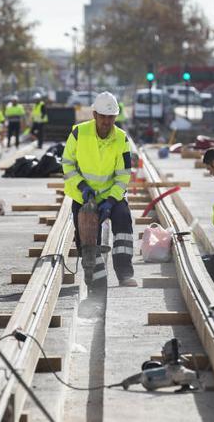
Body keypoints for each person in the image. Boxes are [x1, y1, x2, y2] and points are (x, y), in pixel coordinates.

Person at [62, 91, 136, 287]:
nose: (106, 121)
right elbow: (67, 165)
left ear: (115, 117)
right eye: (103, 116)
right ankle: (96, 278)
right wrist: (82, 186)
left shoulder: (122, 138)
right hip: (84, 195)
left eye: (111, 117)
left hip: (111, 194)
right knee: (86, 238)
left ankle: (125, 273)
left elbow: (124, 174)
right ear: (94, 115)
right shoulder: (78, 133)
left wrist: (111, 201)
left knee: (123, 220)